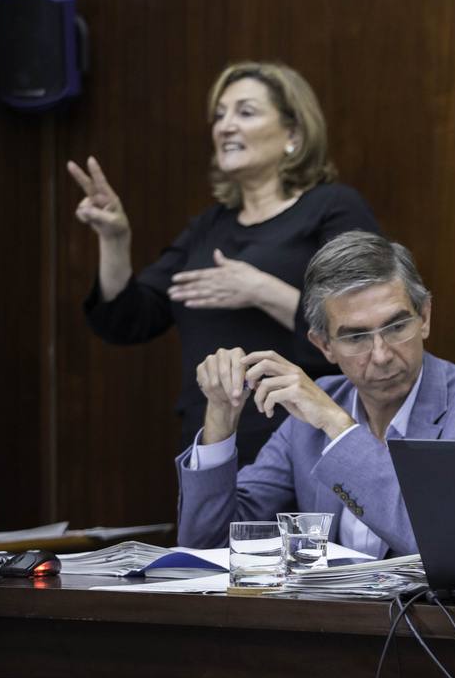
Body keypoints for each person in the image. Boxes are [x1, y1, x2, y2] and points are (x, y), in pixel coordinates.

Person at [73, 61, 378, 466]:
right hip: (212, 441)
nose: (225, 126)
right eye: (220, 115)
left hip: (304, 441)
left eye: (245, 112)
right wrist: (115, 239)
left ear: (294, 132)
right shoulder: (208, 227)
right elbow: (127, 319)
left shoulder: (332, 208)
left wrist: (261, 290)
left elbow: (367, 325)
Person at [175, 231, 455, 556]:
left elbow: (452, 546)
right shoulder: (307, 419)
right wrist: (221, 414)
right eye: (356, 337)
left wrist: (339, 426)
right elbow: (211, 545)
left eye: (397, 326)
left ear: (425, 317)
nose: (382, 354)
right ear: (324, 345)